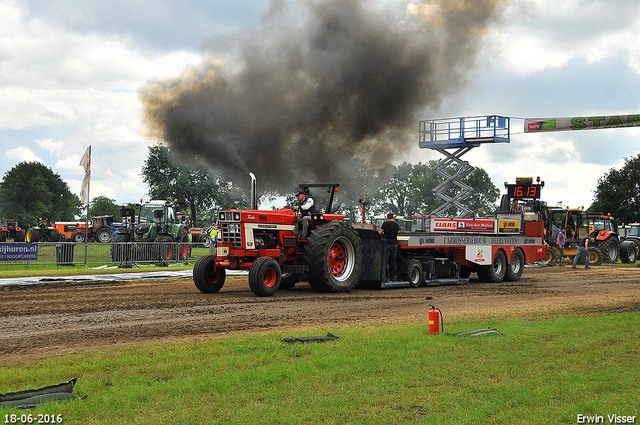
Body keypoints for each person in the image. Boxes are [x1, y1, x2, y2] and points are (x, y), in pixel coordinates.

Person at [379, 212, 400, 282]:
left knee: (386, 261)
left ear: (387, 218)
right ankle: (394, 277)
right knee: (393, 261)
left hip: (387, 244)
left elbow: (380, 233)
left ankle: (387, 276)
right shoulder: (397, 225)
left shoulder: (385, 224)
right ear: (393, 218)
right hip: (394, 245)